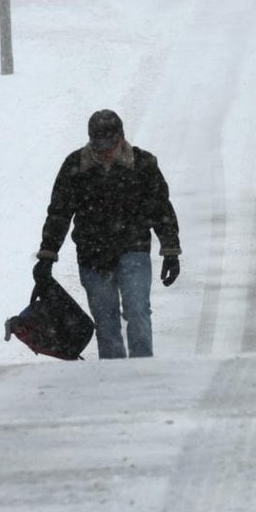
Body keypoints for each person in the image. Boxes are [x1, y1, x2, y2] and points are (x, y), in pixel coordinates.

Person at [33, 109, 181, 359]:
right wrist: (47, 255)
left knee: (137, 312)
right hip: (92, 255)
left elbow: (160, 208)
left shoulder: (143, 164)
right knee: (106, 320)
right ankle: (114, 379)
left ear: (121, 138)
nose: (104, 152)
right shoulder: (75, 166)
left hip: (134, 248)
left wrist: (170, 251)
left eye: (109, 146)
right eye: (98, 146)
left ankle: (143, 369)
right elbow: (59, 213)